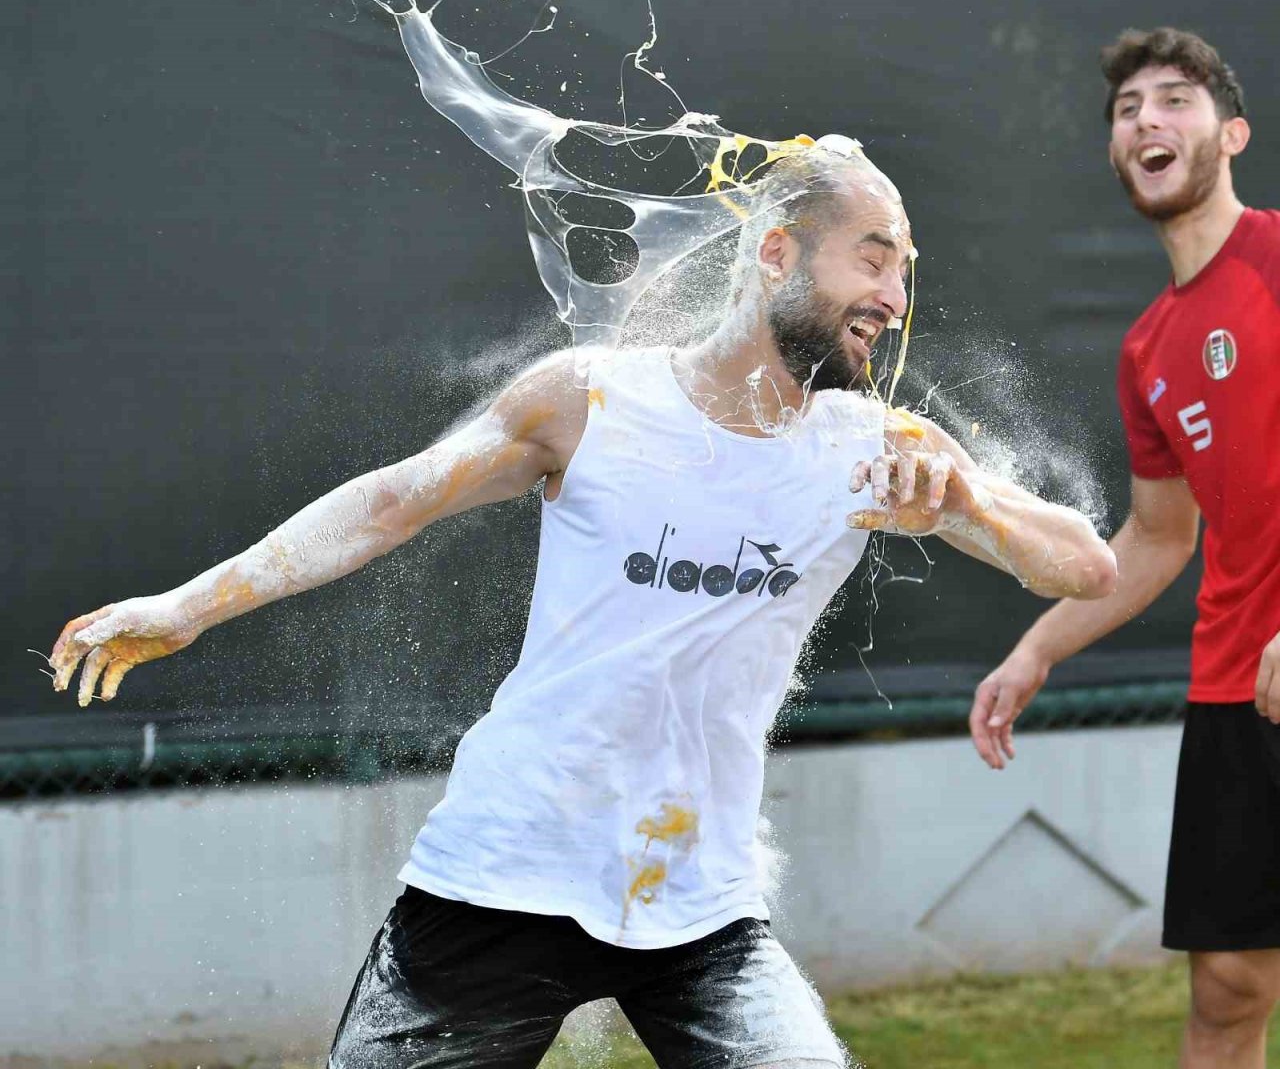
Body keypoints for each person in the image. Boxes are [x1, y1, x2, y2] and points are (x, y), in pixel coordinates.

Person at [51, 141, 1115, 1069]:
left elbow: (1082, 568)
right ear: (777, 254)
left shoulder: (877, 453)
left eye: (903, 270)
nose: (892, 295)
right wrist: (188, 604)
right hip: (503, 872)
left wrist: (968, 499)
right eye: (870, 257)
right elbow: (392, 502)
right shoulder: (594, 397)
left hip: (701, 906)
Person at [969, 27, 1280, 1069]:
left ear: (1230, 132)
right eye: (1125, 109)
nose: (1145, 117)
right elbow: (1155, 536)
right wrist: (1035, 650)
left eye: (1174, 99)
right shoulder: (1147, 347)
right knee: (1228, 985)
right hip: (1237, 690)